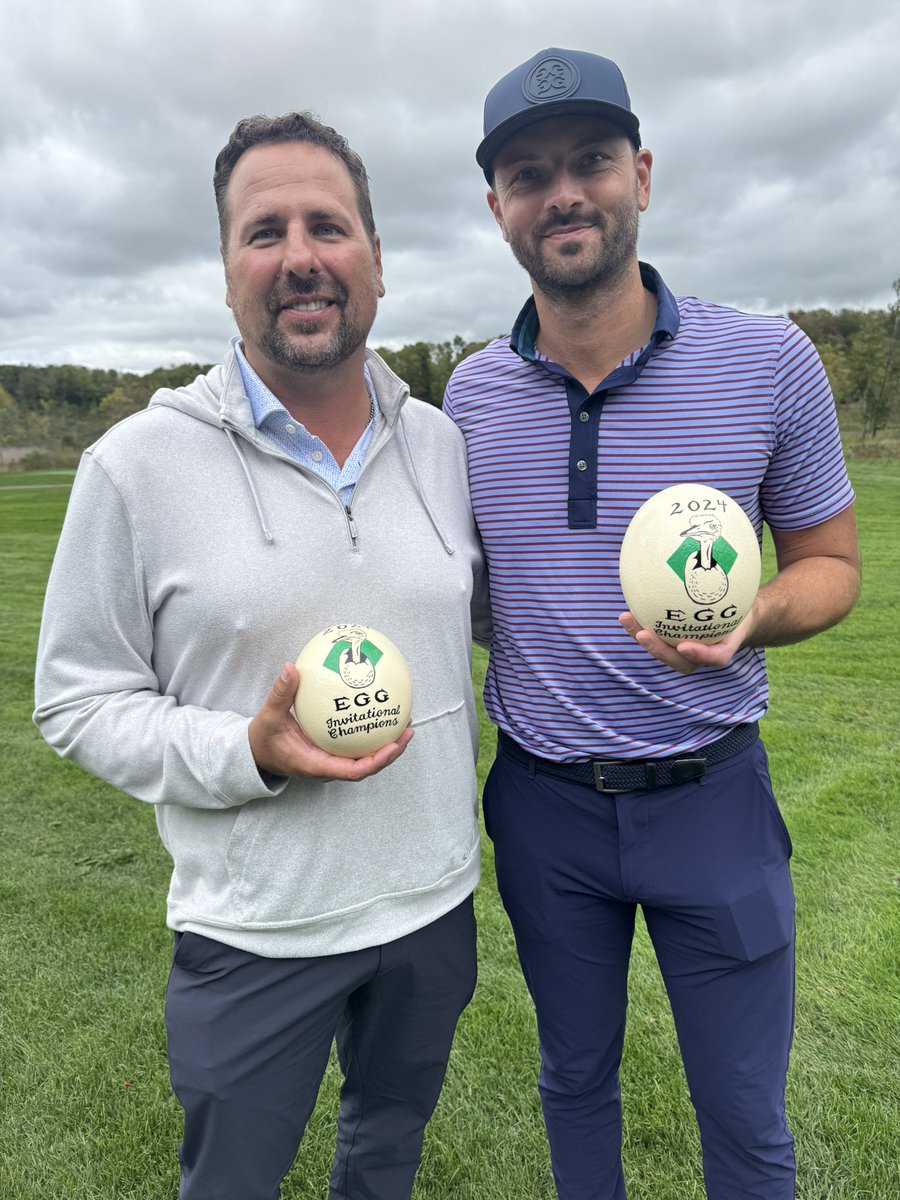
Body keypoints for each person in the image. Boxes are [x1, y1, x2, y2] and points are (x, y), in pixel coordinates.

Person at [34, 112, 489, 1200]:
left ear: (375, 260)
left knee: (385, 1159)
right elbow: (76, 700)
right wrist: (249, 749)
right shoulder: (134, 465)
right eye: (263, 231)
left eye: (328, 226)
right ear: (227, 270)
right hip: (254, 932)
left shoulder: (440, 443)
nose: (300, 257)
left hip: (433, 909)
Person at [444, 47, 860, 1200]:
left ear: (643, 173)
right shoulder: (469, 398)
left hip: (711, 799)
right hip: (543, 806)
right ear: (497, 209)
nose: (562, 192)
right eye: (528, 174)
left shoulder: (768, 360)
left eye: (589, 161)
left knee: (744, 1113)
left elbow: (830, 566)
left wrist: (754, 617)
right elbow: (468, 592)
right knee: (573, 1081)